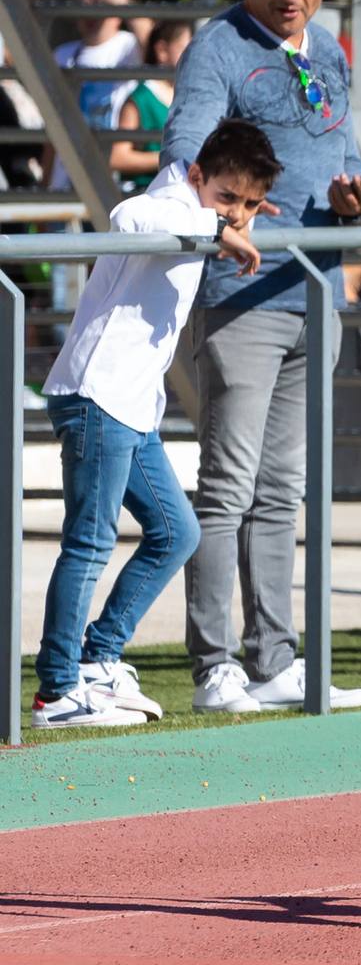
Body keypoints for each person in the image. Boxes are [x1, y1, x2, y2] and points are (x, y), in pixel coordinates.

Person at [166, 0, 361, 715]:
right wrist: (218, 221)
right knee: (226, 487)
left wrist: (356, 197)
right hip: (241, 295)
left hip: (315, 289)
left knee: (281, 491)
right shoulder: (217, 47)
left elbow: (344, 152)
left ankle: (274, 660)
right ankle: (214, 667)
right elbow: (183, 152)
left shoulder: (327, 47)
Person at [33, 122, 279, 729]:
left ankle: (98, 658)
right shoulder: (169, 203)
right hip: (98, 398)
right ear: (197, 176)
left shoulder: (198, 209)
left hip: (130, 408)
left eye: (250, 204)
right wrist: (219, 226)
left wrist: (226, 218)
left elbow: (213, 215)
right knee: (89, 545)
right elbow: (125, 219)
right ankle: (57, 691)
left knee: (178, 533)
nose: (238, 214)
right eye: (228, 197)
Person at [49, 0, 143, 192]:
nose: (91, 11)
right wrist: (47, 182)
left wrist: (120, 0)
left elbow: (151, 38)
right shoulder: (63, 54)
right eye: (84, 4)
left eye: (99, 3)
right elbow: (53, 121)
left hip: (113, 180)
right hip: (66, 178)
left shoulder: (128, 47)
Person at [106, 19, 192, 189]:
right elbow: (118, 157)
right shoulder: (141, 97)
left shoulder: (189, 93)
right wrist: (171, 158)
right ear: (162, 50)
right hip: (147, 194)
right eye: (185, 48)